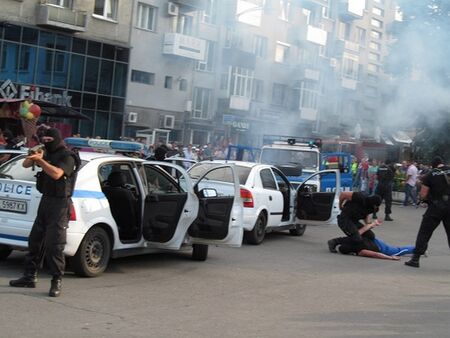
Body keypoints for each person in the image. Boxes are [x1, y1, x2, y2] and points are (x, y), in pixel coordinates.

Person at [9, 128, 80, 297]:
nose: (46, 141)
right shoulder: (45, 152)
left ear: (57, 139)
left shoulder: (67, 156)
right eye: (44, 138)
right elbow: (26, 164)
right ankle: (29, 277)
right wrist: (33, 156)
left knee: (54, 245)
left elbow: (57, 174)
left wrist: (41, 161)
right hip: (46, 200)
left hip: (60, 203)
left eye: (49, 139)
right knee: (35, 241)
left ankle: (56, 280)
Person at [405, 156, 450, 268]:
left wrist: (425, 198)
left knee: (424, 233)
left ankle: (415, 259)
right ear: (442, 163)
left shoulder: (430, 174)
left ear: (434, 165)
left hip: (435, 207)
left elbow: (423, 194)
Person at [330, 220, 414, 260]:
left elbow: (375, 254)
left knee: (399, 251)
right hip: (374, 241)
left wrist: (390, 257)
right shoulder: (355, 239)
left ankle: (418, 249)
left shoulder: (360, 251)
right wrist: (373, 224)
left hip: (381, 248)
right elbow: (362, 230)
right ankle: (417, 249)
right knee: (399, 250)